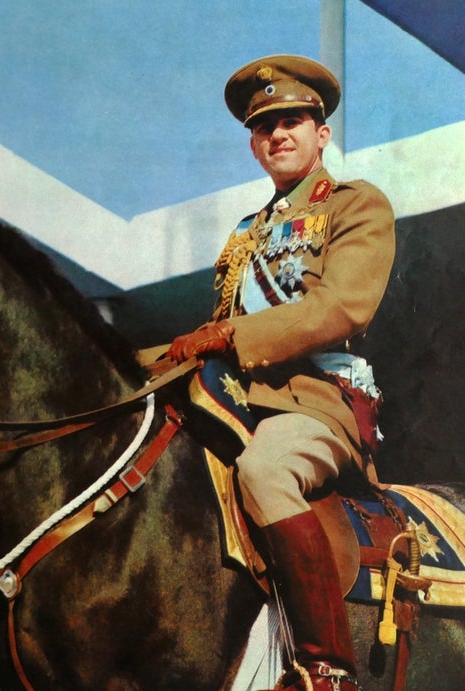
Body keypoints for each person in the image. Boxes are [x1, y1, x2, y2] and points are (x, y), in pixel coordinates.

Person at [166, 54, 395, 691]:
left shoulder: (355, 205)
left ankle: (327, 666)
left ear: (322, 134)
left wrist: (229, 334)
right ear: (253, 145)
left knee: (265, 471)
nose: (279, 134)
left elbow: (342, 306)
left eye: (294, 120)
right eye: (266, 127)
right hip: (235, 401)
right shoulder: (244, 233)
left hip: (317, 403)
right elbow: (216, 330)